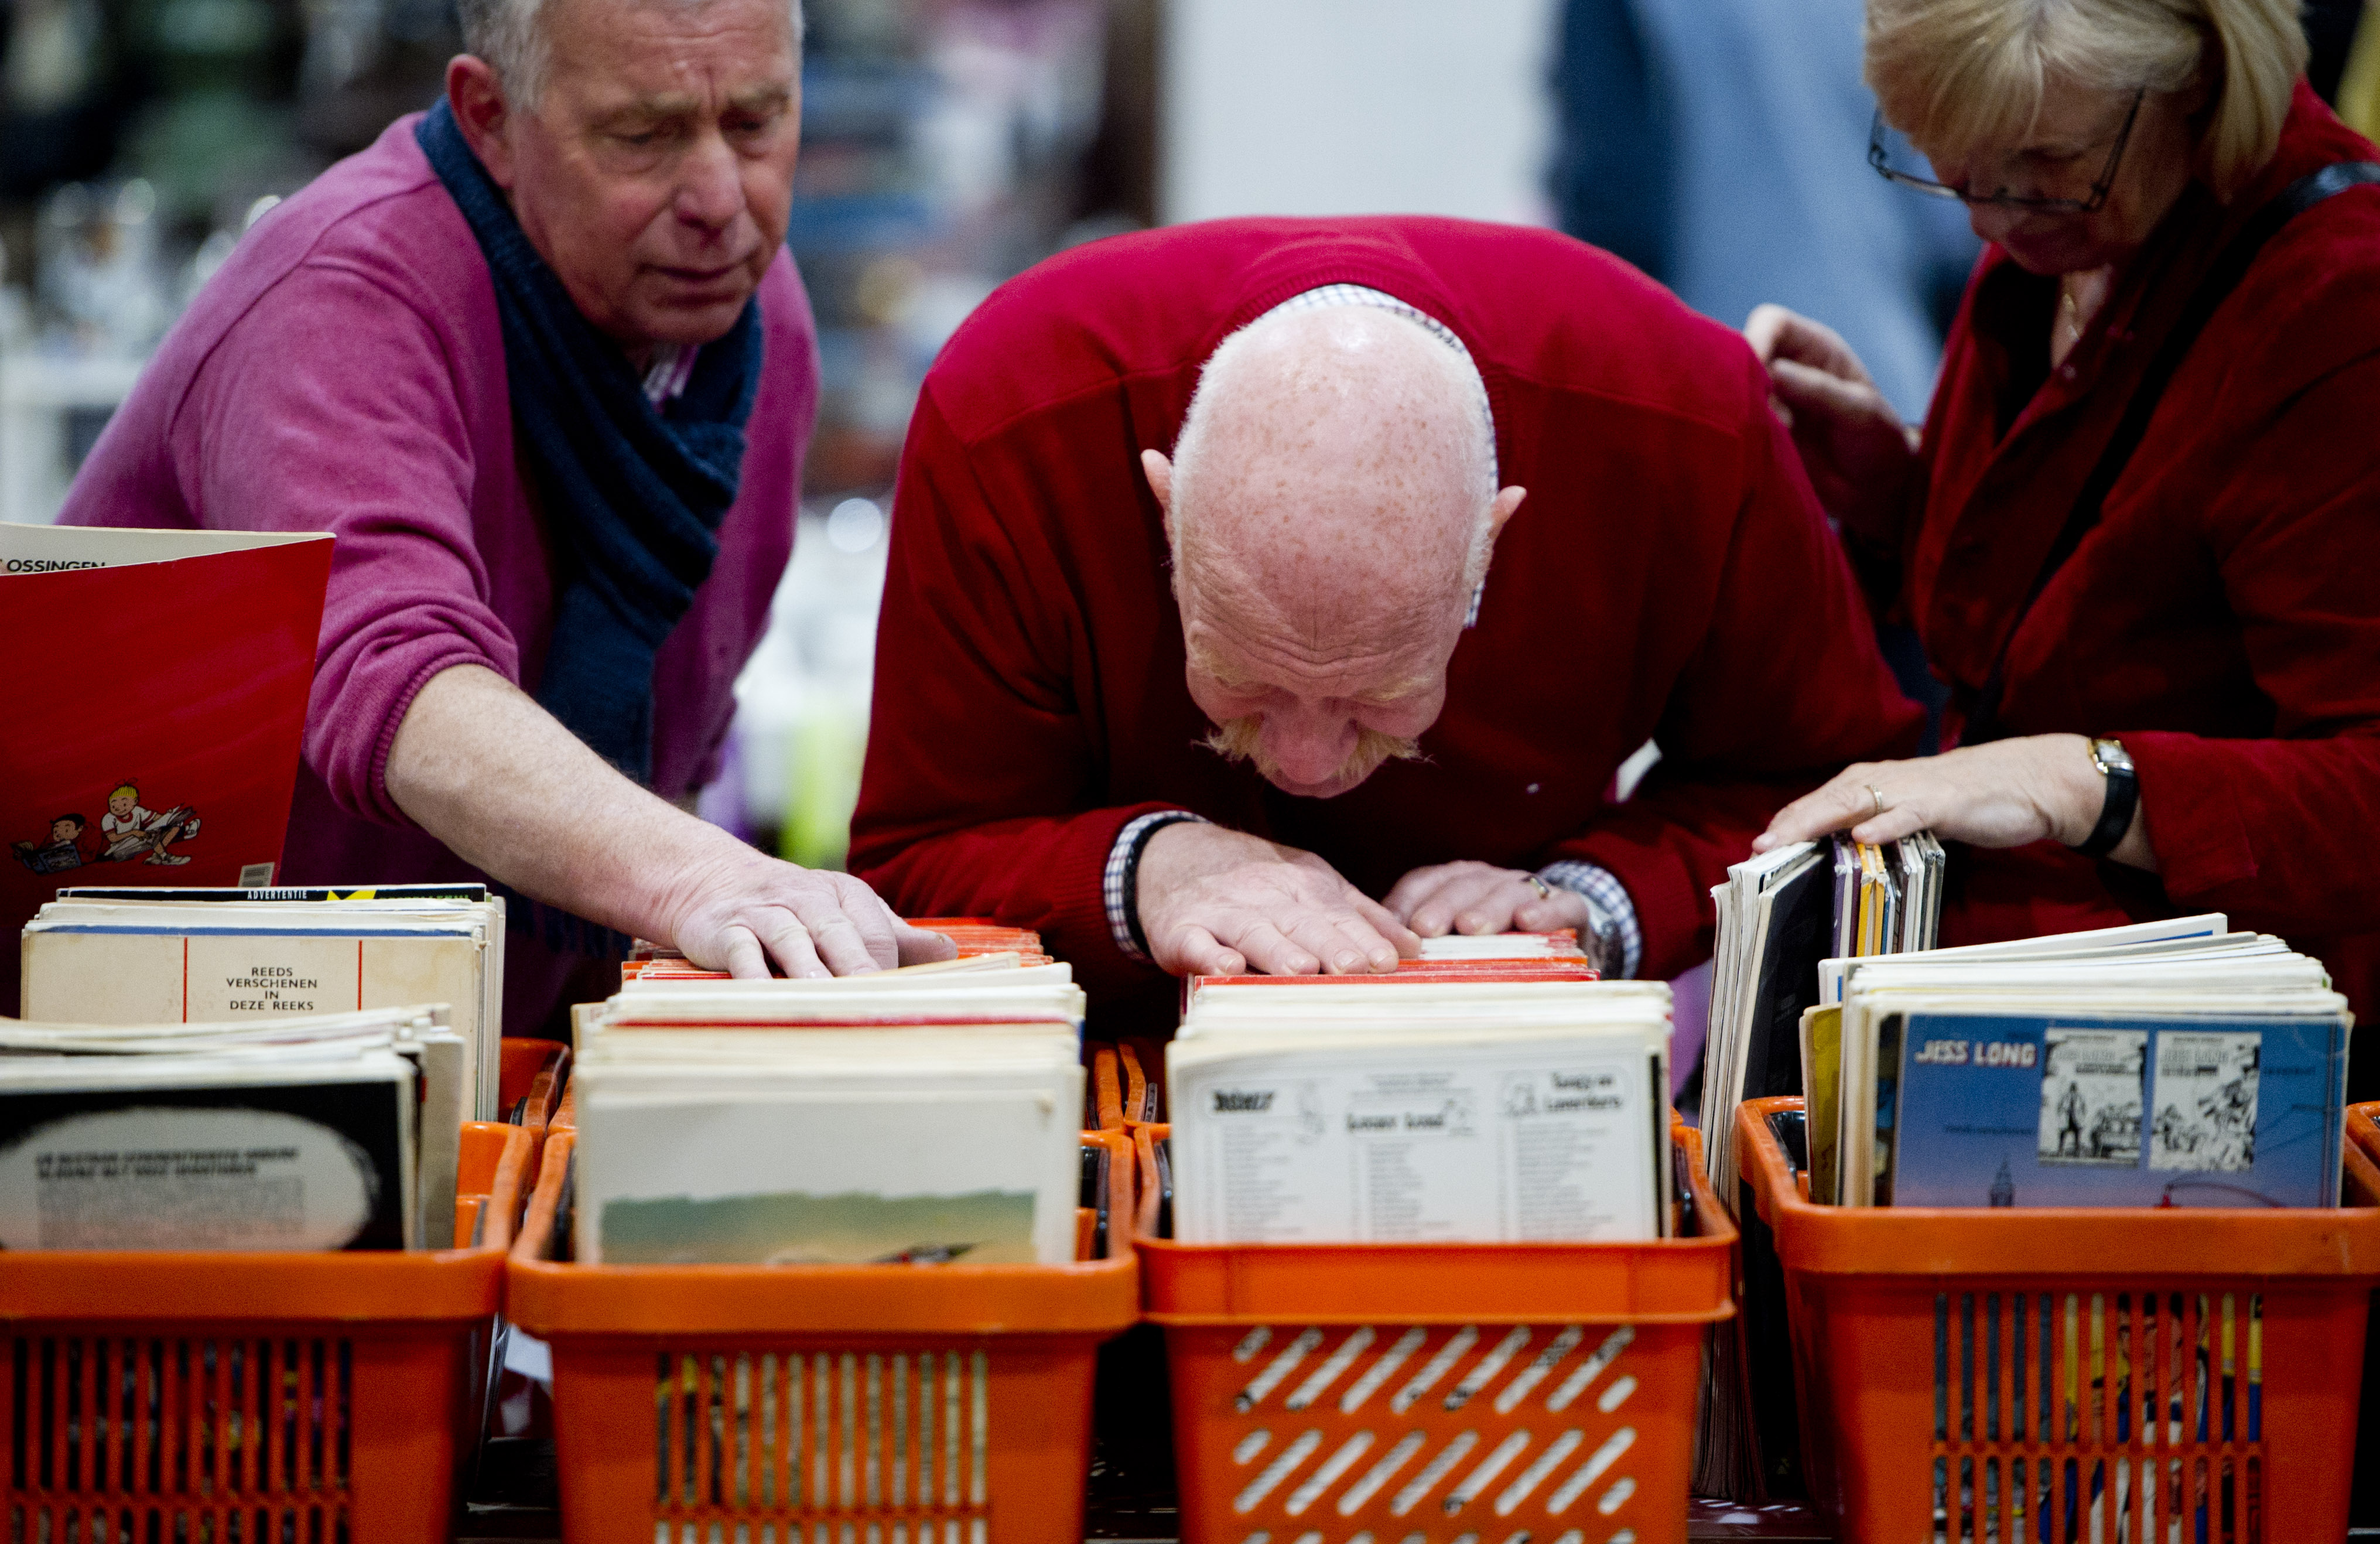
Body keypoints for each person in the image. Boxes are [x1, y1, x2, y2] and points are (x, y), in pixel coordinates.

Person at [59, 0, 950, 1033]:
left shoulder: (750, 327)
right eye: (642, 135)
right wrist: (701, 880)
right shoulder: (339, 295)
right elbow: (396, 677)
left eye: (756, 124)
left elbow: (676, 759)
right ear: (489, 118)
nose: (718, 197)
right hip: (172, 1049)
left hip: (475, 1055)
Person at [847, 218, 1923, 1033]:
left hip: (1509, 1061)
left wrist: (1603, 897)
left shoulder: (1681, 426)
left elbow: (1839, 786)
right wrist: (1139, 871)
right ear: (1165, 516)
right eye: (1246, 684)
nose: (1311, 771)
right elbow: (919, 854)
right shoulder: (1013, 422)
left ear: (1492, 549)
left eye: (1375, 701)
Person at [1746, 0, 2380, 1044]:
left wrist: (2079, 780)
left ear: (2200, 77)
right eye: (1949, 166)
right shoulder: (2080, 222)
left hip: (2229, 1050)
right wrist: (1899, 488)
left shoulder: (2333, 304)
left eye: (2043, 162)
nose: (1987, 220)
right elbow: (2111, 607)